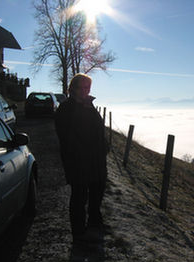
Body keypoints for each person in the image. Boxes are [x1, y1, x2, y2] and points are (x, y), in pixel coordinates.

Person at [54, 73, 108, 243]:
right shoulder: (65, 109)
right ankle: (79, 233)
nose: (86, 91)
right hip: (78, 162)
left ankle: (94, 223)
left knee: (96, 194)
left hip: (96, 161)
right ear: (73, 88)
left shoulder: (89, 106)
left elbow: (99, 130)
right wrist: (79, 154)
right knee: (79, 197)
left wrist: (105, 146)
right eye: (83, 87)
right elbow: (66, 137)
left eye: (88, 88)